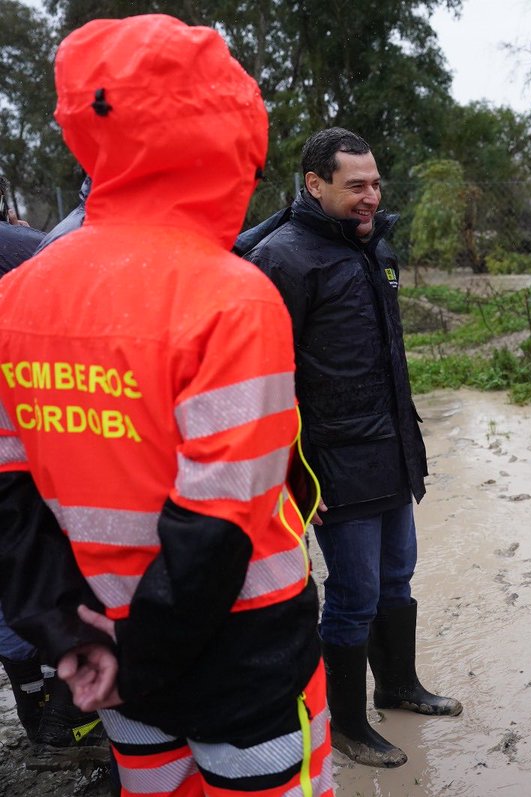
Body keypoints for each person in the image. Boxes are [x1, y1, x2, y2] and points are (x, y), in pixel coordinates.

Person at [0, 15, 333, 796]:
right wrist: (138, 657)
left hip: (104, 651)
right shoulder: (233, 298)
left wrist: (69, 635)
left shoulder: (15, 297)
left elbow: (9, 499)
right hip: (241, 653)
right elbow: (218, 520)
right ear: (230, 136)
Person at [244, 127, 461, 769]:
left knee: (399, 575)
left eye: (375, 184)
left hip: (393, 448)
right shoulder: (282, 260)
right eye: (355, 186)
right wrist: (290, 475)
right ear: (314, 185)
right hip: (334, 463)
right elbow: (264, 376)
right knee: (353, 593)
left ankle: (399, 686)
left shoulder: (372, 246)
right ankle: (346, 723)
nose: (370, 197)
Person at [0, 191, 110, 759]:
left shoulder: (41, 249)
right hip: (60, 448)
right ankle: (63, 709)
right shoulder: (41, 248)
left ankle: (47, 711)